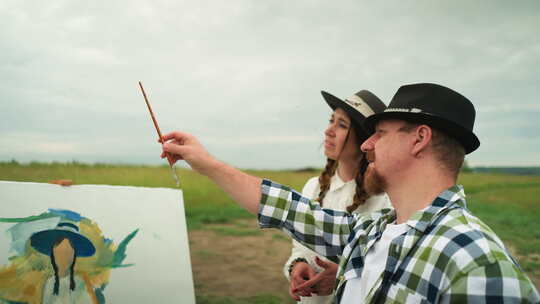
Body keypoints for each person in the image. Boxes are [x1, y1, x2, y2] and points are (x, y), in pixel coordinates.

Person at [160, 83, 540, 303]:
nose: (367, 144)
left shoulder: (478, 263)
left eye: (381, 132)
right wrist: (204, 161)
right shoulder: (372, 232)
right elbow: (287, 209)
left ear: (420, 139)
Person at [284, 89, 391, 303]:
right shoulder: (313, 187)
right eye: (331, 121)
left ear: (364, 139)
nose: (328, 131)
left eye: (341, 125)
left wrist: (345, 277)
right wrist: (298, 265)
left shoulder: (385, 198)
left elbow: (388, 267)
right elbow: (300, 246)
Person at [31, 221, 97, 303]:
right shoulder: (49, 283)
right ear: (53, 254)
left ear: (73, 256)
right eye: (60, 252)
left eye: (68, 252)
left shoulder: (80, 284)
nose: (63, 258)